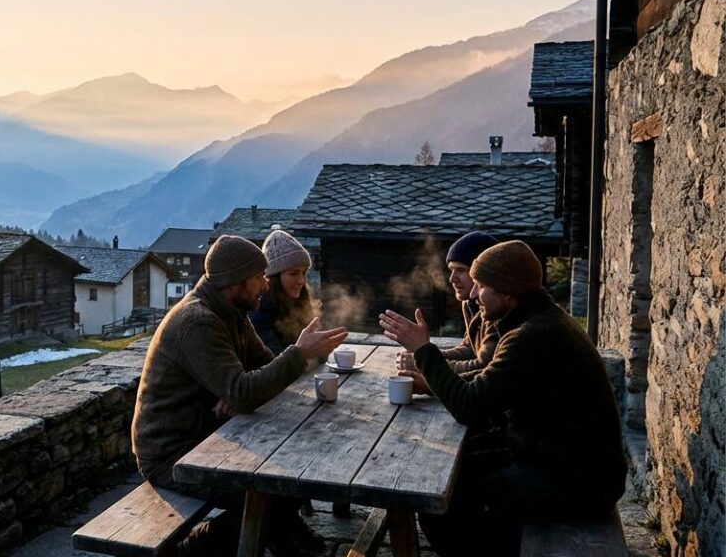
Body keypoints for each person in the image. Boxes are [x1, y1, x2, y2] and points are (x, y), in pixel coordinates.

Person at [379, 241, 626, 557]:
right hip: (555, 458)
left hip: (579, 482)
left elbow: (469, 406)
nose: (473, 294)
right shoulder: (534, 321)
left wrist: (424, 351)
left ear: (508, 293)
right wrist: (430, 383)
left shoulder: (533, 334)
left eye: (481, 286)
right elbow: (488, 382)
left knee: (441, 499)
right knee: (456, 467)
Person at [133, 235, 348, 556]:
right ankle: (191, 549)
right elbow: (244, 392)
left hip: (207, 435)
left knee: (288, 477)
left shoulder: (232, 312)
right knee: (268, 493)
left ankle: (284, 537)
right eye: (259, 278)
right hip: (172, 455)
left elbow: (262, 368)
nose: (265, 285)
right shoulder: (198, 322)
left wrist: (250, 385)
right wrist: (297, 355)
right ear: (235, 282)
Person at [393, 231, 499, 390]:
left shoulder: (497, 311)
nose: (452, 279)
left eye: (461, 270)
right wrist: (424, 354)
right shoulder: (470, 304)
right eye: (451, 270)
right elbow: (470, 349)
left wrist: (426, 362)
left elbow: (482, 367)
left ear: (482, 272)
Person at [249, 228, 317, 355]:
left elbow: (316, 354)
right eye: (293, 273)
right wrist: (305, 351)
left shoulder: (299, 302)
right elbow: (272, 358)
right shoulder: (258, 311)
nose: (301, 281)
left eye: (303, 273)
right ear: (274, 278)